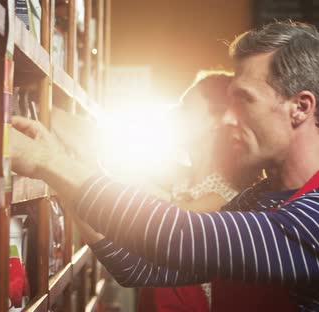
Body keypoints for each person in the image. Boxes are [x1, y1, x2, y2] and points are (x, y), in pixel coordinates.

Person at [9, 21, 319, 310]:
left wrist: (47, 162)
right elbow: (139, 266)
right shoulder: (257, 199)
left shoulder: (314, 214)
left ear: (300, 108)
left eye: (245, 100)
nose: (227, 119)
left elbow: (182, 235)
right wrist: (57, 173)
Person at [57, 71, 293, 312]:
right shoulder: (177, 182)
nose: (172, 114)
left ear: (216, 120)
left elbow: (147, 226)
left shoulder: (229, 200)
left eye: (184, 107)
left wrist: (61, 160)